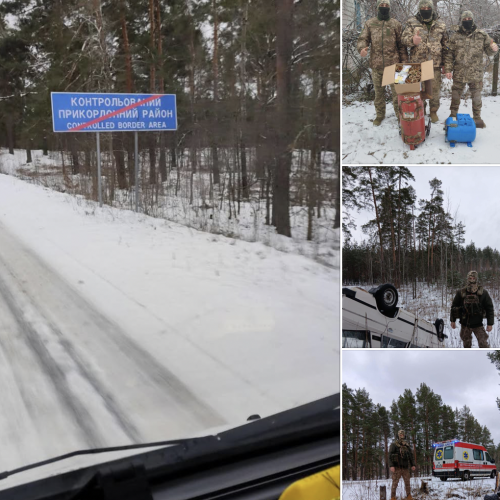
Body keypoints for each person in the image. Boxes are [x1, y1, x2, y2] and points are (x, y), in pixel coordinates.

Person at [357, 0, 408, 126]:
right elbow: (363, 38)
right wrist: (361, 49)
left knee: (397, 95)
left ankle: (399, 115)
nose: (384, 7)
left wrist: (404, 62)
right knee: (379, 94)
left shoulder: (395, 24)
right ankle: (380, 115)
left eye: (386, 5)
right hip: (377, 65)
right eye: (382, 5)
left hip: (394, 65)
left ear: (389, 7)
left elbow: (401, 45)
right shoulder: (370, 23)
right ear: (377, 7)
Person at [444, 11, 498, 128]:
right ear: (462, 21)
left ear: (472, 20)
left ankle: (477, 118)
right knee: (455, 95)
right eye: (465, 19)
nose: (467, 20)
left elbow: (489, 52)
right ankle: (453, 115)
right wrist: (448, 69)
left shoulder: (482, 35)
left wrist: (494, 48)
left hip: (475, 73)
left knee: (477, 96)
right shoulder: (455, 36)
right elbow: (449, 54)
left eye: (469, 18)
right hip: (459, 72)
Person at [401, 0, 448, 123]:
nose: (425, 9)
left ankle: (433, 111)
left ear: (432, 9)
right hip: (417, 63)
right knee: (417, 89)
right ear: (419, 9)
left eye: (428, 7)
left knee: (435, 90)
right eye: (423, 7)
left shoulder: (441, 24)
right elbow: (403, 39)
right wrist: (412, 40)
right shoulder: (411, 22)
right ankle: (420, 109)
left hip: (435, 64)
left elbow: (446, 46)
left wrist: (445, 65)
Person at [450, 271, 494, 348]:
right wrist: (452, 320)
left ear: (476, 279)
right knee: (466, 345)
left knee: (483, 344)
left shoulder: (483, 293)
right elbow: (454, 306)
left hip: (478, 324)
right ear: (467, 279)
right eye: (470, 278)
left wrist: (490, 323)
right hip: (465, 324)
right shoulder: (461, 292)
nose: (472, 280)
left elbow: (489, 308)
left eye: (473, 278)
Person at [389, 429, 416, 500]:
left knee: (407, 482)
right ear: (398, 435)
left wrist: (413, 464)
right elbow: (390, 455)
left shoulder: (407, 445)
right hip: (397, 467)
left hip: (405, 468)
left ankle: (409, 495)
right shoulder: (394, 444)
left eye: (403, 434)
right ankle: (392, 497)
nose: (402, 436)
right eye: (400, 434)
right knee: (395, 483)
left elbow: (411, 456)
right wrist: (391, 465)